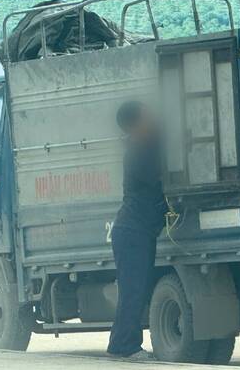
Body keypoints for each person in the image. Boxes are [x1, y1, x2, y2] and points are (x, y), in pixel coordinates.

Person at [106, 100, 166, 360]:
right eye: (147, 115)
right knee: (134, 289)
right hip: (132, 232)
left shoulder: (144, 145)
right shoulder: (138, 152)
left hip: (137, 231)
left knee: (136, 288)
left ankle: (120, 344)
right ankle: (124, 347)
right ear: (136, 124)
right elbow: (161, 174)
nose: (152, 117)